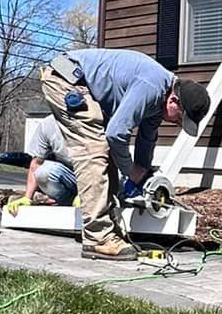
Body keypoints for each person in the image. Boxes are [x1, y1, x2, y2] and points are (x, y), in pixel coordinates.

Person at [39, 47, 211, 260]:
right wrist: (131, 171)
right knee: (94, 150)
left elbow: (146, 140)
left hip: (81, 83)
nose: (177, 124)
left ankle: (108, 226)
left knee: (108, 153)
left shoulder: (160, 100)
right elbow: (116, 133)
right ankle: (98, 238)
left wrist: (144, 176)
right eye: (180, 118)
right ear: (174, 101)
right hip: (66, 78)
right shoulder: (152, 86)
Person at [25, 112, 78, 206]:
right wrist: (27, 198)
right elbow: (36, 164)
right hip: (69, 175)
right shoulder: (47, 124)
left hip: (94, 172)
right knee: (43, 172)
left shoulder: (94, 120)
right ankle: (67, 201)